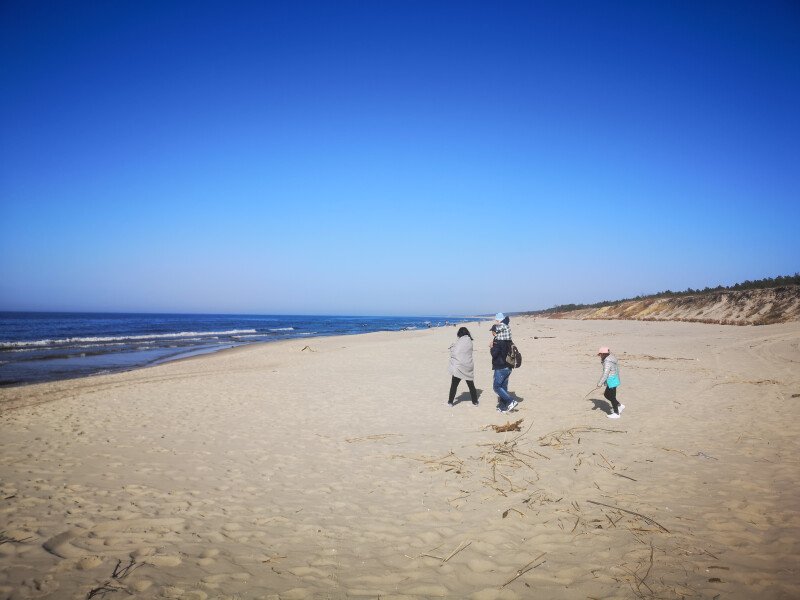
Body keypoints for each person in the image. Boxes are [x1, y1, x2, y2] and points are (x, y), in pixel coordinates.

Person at [448, 327, 478, 406]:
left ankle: (450, 402)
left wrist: (452, 346)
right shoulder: (470, 341)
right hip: (468, 366)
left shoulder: (460, 341)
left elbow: (455, 352)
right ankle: (475, 402)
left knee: (454, 385)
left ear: (459, 333)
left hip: (459, 367)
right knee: (471, 385)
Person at [490, 324, 517, 413]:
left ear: (496, 332)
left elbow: (494, 354)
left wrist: (491, 347)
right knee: (503, 387)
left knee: (496, 387)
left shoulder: (498, 341)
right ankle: (503, 407)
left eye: (493, 331)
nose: (492, 333)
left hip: (501, 367)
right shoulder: (508, 339)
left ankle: (510, 401)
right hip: (509, 366)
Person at [597, 347, 624, 419]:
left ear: (603, 354)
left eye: (600, 354)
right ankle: (620, 406)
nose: (600, 356)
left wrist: (599, 383)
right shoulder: (610, 358)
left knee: (612, 397)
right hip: (613, 379)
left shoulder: (607, 361)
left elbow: (605, 373)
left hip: (612, 380)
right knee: (606, 395)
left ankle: (616, 413)